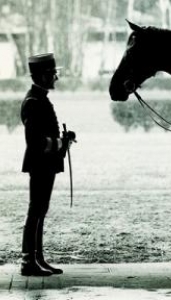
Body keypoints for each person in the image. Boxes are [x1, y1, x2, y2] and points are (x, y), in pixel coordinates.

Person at [20, 53, 76, 276]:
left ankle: (37, 258)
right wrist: (62, 141)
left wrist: (63, 141)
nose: (56, 78)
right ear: (43, 76)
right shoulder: (34, 102)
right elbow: (36, 142)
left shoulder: (39, 98)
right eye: (53, 74)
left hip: (46, 165)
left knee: (40, 210)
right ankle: (28, 261)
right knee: (35, 211)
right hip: (39, 164)